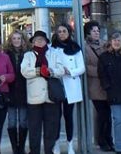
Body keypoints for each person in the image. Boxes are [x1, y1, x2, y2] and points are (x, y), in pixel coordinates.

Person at [22, 30, 65, 154]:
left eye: (42, 39)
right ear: (33, 42)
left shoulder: (54, 53)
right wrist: (38, 71)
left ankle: (49, 150)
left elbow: (61, 70)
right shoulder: (28, 55)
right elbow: (24, 71)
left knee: (51, 128)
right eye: (37, 40)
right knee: (34, 128)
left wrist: (51, 72)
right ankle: (34, 151)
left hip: (51, 97)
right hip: (34, 98)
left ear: (46, 41)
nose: (39, 42)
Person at [50, 23, 85, 154]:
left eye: (64, 31)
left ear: (69, 32)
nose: (62, 34)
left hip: (70, 85)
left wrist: (69, 71)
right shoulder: (51, 48)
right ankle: (56, 144)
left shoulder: (75, 48)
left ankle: (70, 144)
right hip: (57, 85)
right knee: (56, 117)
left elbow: (82, 68)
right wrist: (57, 71)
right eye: (59, 31)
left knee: (68, 116)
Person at [84, 21, 114, 152]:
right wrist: (102, 71)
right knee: (102, 114)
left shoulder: (105, 44)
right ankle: (102, 140)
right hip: (96, 86)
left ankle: (108, 139)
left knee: (109, 114)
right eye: (94, 31)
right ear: (88, 33)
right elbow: (86, 67)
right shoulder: (85, 47)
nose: (97, 33)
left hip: (108, 86)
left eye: (98, 31)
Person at [4, 30, 30, 154]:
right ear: (10, 40)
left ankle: (22, 147)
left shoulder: (27, 54)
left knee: (24, 121)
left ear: (23, 40)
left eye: (18, 38)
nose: (16, 41)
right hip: (10, 91)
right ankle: (15, 148)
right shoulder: (6, 54)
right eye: (14, 38)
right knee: (12, 121)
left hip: (24, 91)